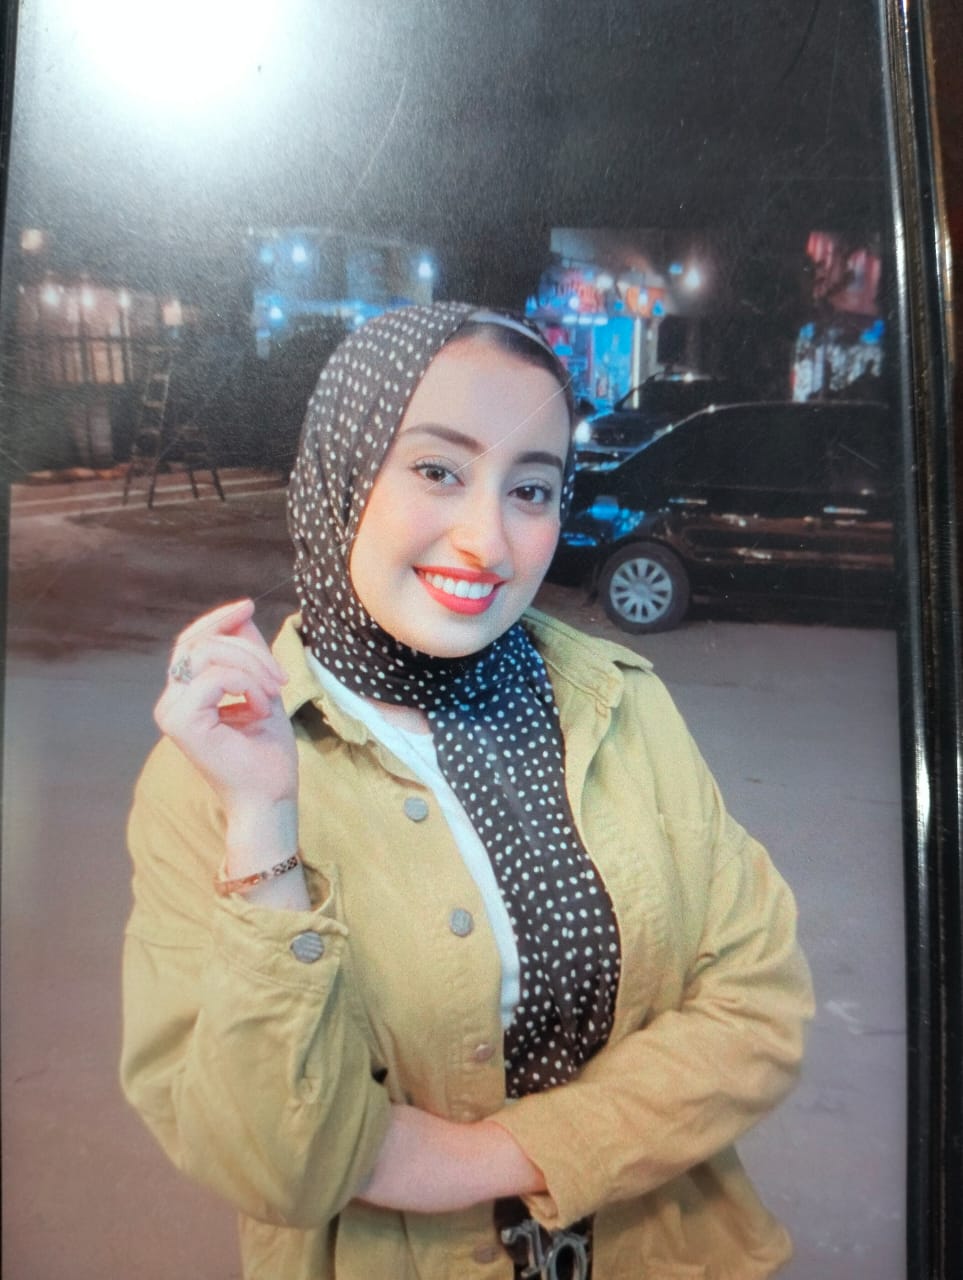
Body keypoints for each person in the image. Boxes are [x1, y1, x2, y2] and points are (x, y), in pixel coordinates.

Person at [121, 301, 813, 1280]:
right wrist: (264, 822)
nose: (487, 542)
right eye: (438, 470)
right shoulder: (214, 770)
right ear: (342, 471)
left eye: (531, 489)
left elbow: (760, 1005)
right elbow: (277, 1165)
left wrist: (485, 1157)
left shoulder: (615, 704)